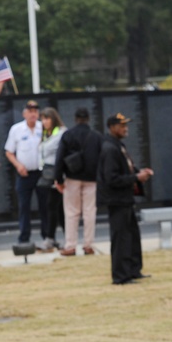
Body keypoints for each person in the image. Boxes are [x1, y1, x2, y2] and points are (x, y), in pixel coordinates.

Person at [98, 113, 153, 285]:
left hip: (125, 199)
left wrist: (139, 173)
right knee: (121, 238)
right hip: (117, 200)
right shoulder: (109, 148)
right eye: (121, 125)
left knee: (132, 237)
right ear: (112, 128)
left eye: (126, 125)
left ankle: (133, 270)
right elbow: (112, 178)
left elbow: (126, 169)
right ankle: (121, 276)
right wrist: (136, 178)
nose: (125, 128)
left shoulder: (117, 145)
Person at [54, 107, 103, 256]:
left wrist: (58, 178)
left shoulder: (68, 135)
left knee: (71, 212)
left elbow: (59, 158)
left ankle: (70, 246)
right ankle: (88, 245)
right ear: (88, 119)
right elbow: (102, 158)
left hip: (72, 178)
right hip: (92, 179)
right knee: (89, 212)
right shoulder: (96, 136)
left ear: (75, 119)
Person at [4, 100, 44, 244]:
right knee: (24, 206)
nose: (33, 114)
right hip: (24, 173)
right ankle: (24, 237)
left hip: (41, 173)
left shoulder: (43, 127)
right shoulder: (17, 129)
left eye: (35, 111)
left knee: (44, 205)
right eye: (30, 111)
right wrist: (18, 165)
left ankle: (47, 236)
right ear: (24, 113)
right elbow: (9, 152)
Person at [36, 107, 66, 252]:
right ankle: (62, 238)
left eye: (47, 118)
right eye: (42, 119)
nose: (44, 122)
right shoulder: (45, 134)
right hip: (46, 173)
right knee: (57, 208)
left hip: (57, 173)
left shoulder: (61, 133)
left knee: (53, 206)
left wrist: (60, 176)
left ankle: (51, 238)